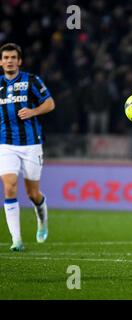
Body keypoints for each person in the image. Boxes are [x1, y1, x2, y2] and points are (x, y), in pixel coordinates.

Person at [0, 43, 55, 251]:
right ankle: (17, 240)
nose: (9, 60)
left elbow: (50, 104)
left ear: (19, 61)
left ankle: (42, 219)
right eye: (6, 57)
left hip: (32, 144)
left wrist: (32, 112)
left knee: (33, 194)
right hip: (5, 144)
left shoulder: (31, 81)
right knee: (9, 186)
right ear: (1, 61)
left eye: (13, 57)